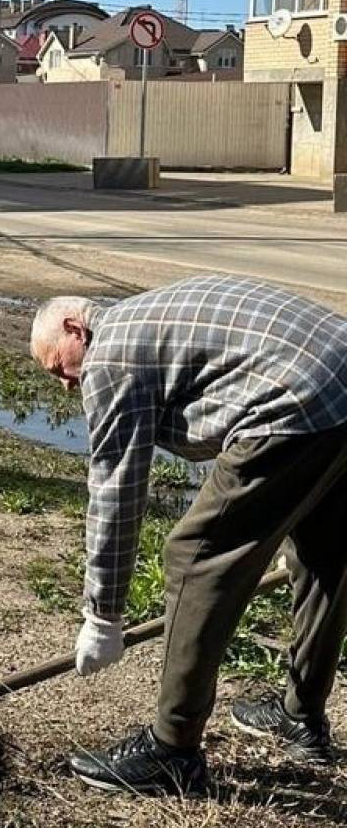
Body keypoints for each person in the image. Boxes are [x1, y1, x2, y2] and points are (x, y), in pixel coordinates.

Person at [29, 275, 347, 795]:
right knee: (322, 553)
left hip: (297, 397)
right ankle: (301, 716)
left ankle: (172, 749)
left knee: (195, 558)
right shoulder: (142, 322)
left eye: (57, 368)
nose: (65, 384)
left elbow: (116, 490)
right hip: (339, 383)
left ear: (74, 328)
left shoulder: (109, 357)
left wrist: (103, 615)